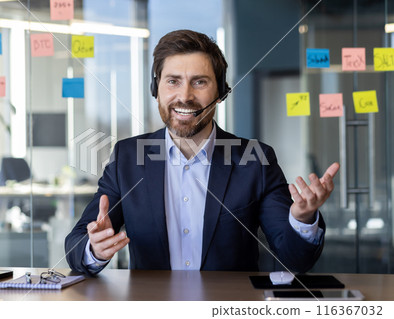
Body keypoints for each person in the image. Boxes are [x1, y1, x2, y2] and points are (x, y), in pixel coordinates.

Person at [65, 29, 339, 275]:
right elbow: (76, 244)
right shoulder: (127, 158)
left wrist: (302, 219)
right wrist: (94, 249)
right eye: (173, 81)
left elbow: (295, 259)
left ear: (220, 91)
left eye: (199, 82)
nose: (185, 96)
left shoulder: (255, 159)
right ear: (155, 90)